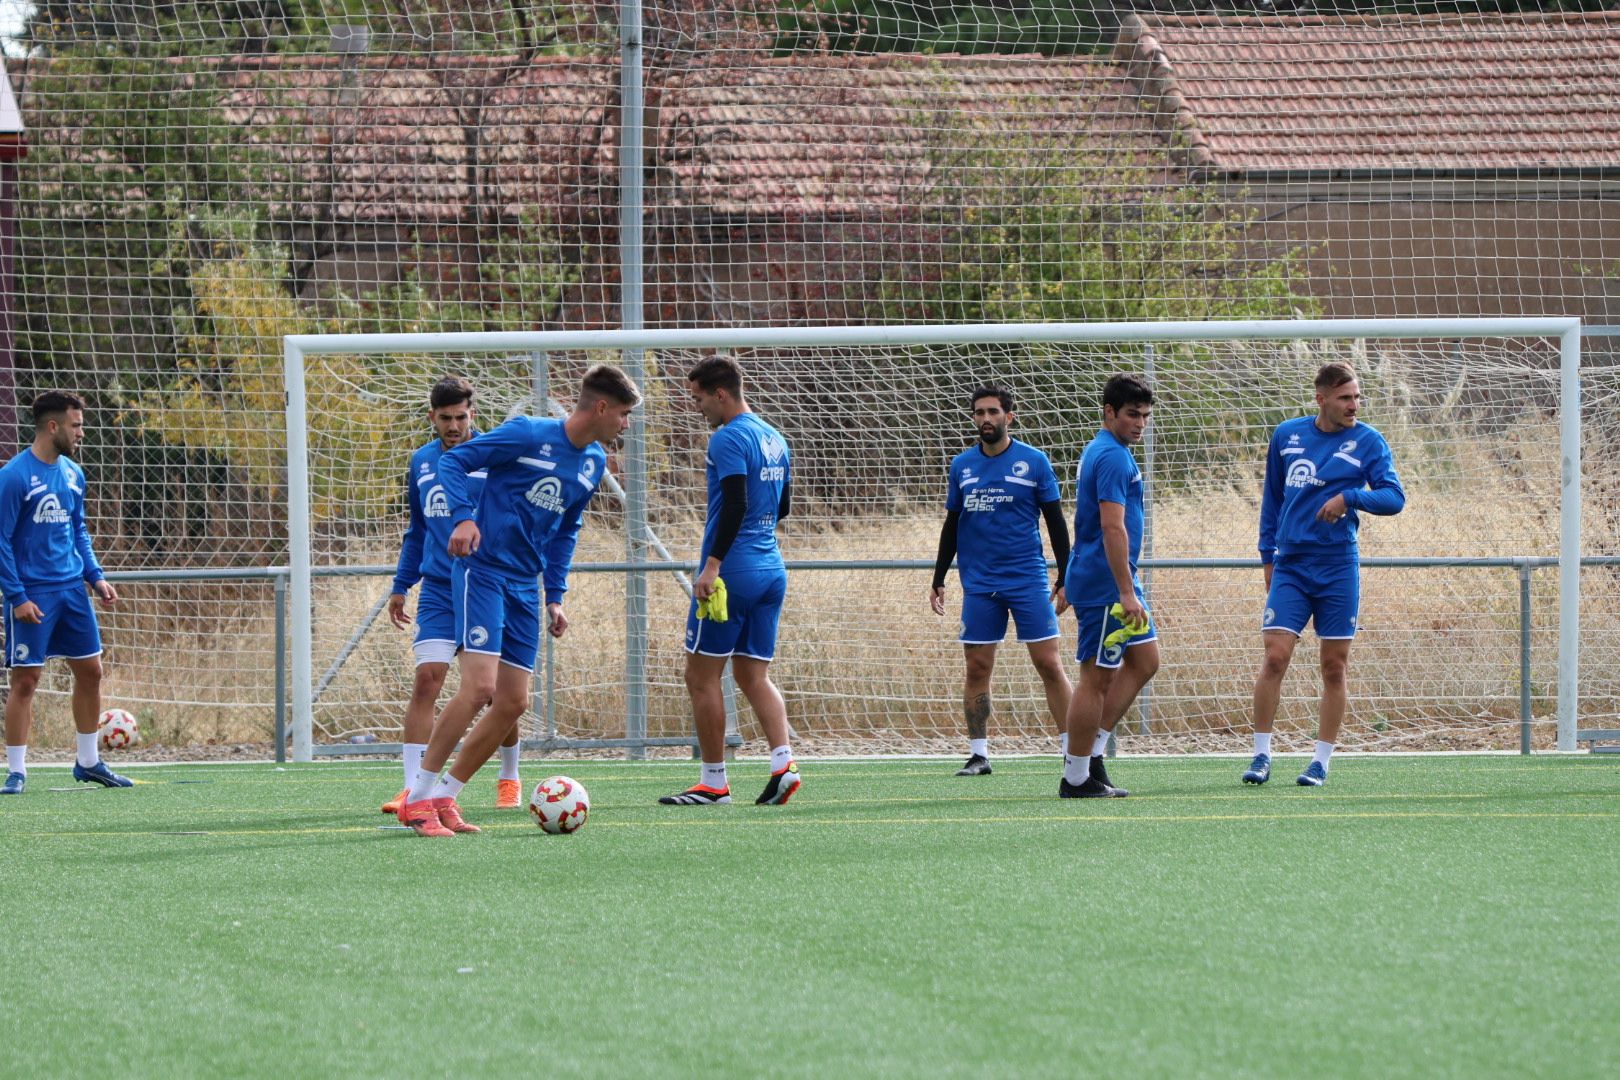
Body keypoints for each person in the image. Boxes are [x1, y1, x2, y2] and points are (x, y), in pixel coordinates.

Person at [396, 364, 641, 836]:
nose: (626, 425)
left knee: (512, 702)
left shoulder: (592, 463)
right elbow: (453, 461)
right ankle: (419, 798)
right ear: (602, 407)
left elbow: (566, 529)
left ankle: (446, 794)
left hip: (527, 586)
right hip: (483, 572)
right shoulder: (528, 434)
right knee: (479, 689)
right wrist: (465, 518)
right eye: (625, 414)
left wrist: (556, 594)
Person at [1243, 362, 1405, 787]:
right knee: (1275, 656)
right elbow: (1271, 502)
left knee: (1334, 667)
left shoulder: (1369, 441)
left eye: (1356, 397)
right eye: (1345, 398)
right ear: (1321, 399)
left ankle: (1320, 761)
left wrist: (1349, 498)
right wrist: (1267, 559)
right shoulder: (1287, 436)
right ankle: (1261, 755)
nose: (1354, 405)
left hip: (1338, 567)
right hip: (1292, 565)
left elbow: (1394, 497)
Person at [660, 355, 799, 806]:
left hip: (733, 573)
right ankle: (783, 764)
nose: (697, 407)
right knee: (752, 674)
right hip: (770, 568)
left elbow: (735, 504)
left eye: (699, 399)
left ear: (720, 394)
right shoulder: (775, 437)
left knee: (700, 676)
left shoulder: (727, 439)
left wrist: (713, 564)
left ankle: (714, 781)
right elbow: (782, 509)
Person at [378, 377, 521, 816]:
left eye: (461, 417)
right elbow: (417, 531)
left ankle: (509, 776)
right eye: (446, 418)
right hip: (440, 590)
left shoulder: (492, 459)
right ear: (432, 417)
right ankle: (411, 788)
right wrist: (402, 585)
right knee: (427, 681)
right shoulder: (421, 462)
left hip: (484, 586)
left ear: (472, 414)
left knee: (494, 692)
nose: (454, 425)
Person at [930, 385, 1072, 776]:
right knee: (977, 668)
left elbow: (1056, 522)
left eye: (993, 412)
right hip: (979, 585)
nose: (985, 419)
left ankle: (1072, 752)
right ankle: (979, 754)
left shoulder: (1034, 461)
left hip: (1027, 579)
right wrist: (939, 577)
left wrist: (1066, 575)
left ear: (1009, 417)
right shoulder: (962, 465)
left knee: (1049, 664)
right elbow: (953, 523)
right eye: (979, 413)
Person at [0, 392, 130, 795]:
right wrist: (17, 596)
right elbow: (0, 540)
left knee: (91, 672)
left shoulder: (74, 473)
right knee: (27, 680)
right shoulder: (14, 476)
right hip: (33, 594)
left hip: (73, 590)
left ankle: (88, 762)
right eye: (76, 426)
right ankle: (17, 770)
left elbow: (79, 530)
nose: (81, 433)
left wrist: (96, 576)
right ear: (52, 427)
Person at [1057, 374, 1160, 799]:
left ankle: (1092, 752)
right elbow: (1111, 527)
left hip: (1110, 577)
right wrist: (1125, 590)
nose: (1140, 423)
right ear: (1109, 412)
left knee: (1146, 660)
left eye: (1146, 416)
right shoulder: (1113, 457)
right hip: (1106, 584)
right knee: (1096, 677)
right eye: (1132, 415)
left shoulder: (1107, 451)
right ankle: (1075, 777)